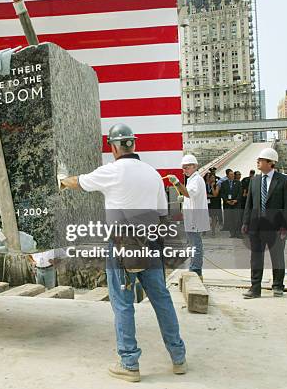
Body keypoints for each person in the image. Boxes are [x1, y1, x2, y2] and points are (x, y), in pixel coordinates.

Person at [59, 123, 186, 383]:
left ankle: (129, 363)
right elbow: (163, 215)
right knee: (161, 299)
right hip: (151, 244)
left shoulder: (111, 172)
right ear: (134, 144)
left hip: (121, 246)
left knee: (123, 304)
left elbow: (78, 182)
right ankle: (178, 358)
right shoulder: (152, 174)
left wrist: (60, 179)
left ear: (113, 146)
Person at [242, 148, 287, 299]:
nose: (258, 162)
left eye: (261, 160)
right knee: (256, 258)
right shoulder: (255, 181)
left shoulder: (284, 181)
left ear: (271, 163)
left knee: (277, 257)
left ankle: (278, 286)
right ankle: (255, 288)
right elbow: (249, 204)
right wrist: (246, 222)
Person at [167, 155, 210, 277]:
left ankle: (195, 269)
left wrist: (176, 183)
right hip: (191, 217)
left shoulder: (196, 179)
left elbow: (187, 193)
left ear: (195, 166)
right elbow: (188, 195)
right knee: (193, 243)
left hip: (195, 218)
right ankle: (194, 267)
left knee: (195, 244)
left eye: (187, 167)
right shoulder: (192, 179)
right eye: (183, 168)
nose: (184, 170)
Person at [220, 170, 241, 237]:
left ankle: (238, 233)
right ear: (227, 175)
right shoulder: (224, 183)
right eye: (231, 174)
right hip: (228, 204)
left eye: (233, 174)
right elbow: (222, 193)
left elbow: (240, 192)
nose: (232, 176)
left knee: (237, 218)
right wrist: (226, 201)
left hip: (236, 204)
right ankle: (232, 233)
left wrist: (236, 200)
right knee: (230, 219)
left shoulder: (238, 183)